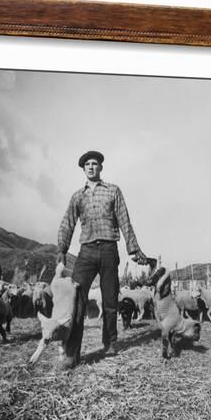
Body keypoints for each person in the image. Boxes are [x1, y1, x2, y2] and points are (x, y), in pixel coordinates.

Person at [56, 150, 154, 369]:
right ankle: (72, 353)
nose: (91, 167)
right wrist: (61, 250)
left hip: (110, 249)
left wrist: (134, 249)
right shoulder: (77, 196)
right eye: (87, 164)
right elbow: (67, 224)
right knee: (78, 301)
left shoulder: (113, 191)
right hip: (87, 251)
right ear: (83, 169)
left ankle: (110, 344)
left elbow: (124, 221)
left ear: (101, 167)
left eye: (95, 164)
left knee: (110, 300)